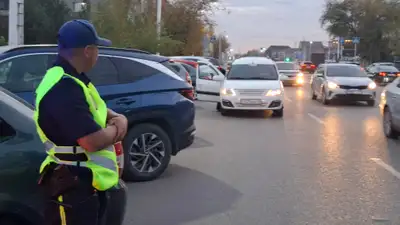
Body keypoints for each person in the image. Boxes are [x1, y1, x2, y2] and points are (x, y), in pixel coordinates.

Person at [34, 19, 128, 225]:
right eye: (97, 48)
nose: (98, 54)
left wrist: (116, 117)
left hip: (84, 181)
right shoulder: (63, 86)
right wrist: (118, 127)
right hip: (72, 187)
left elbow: (97, 109)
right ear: (87, 50)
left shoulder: (73, 78)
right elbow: (91, 141)